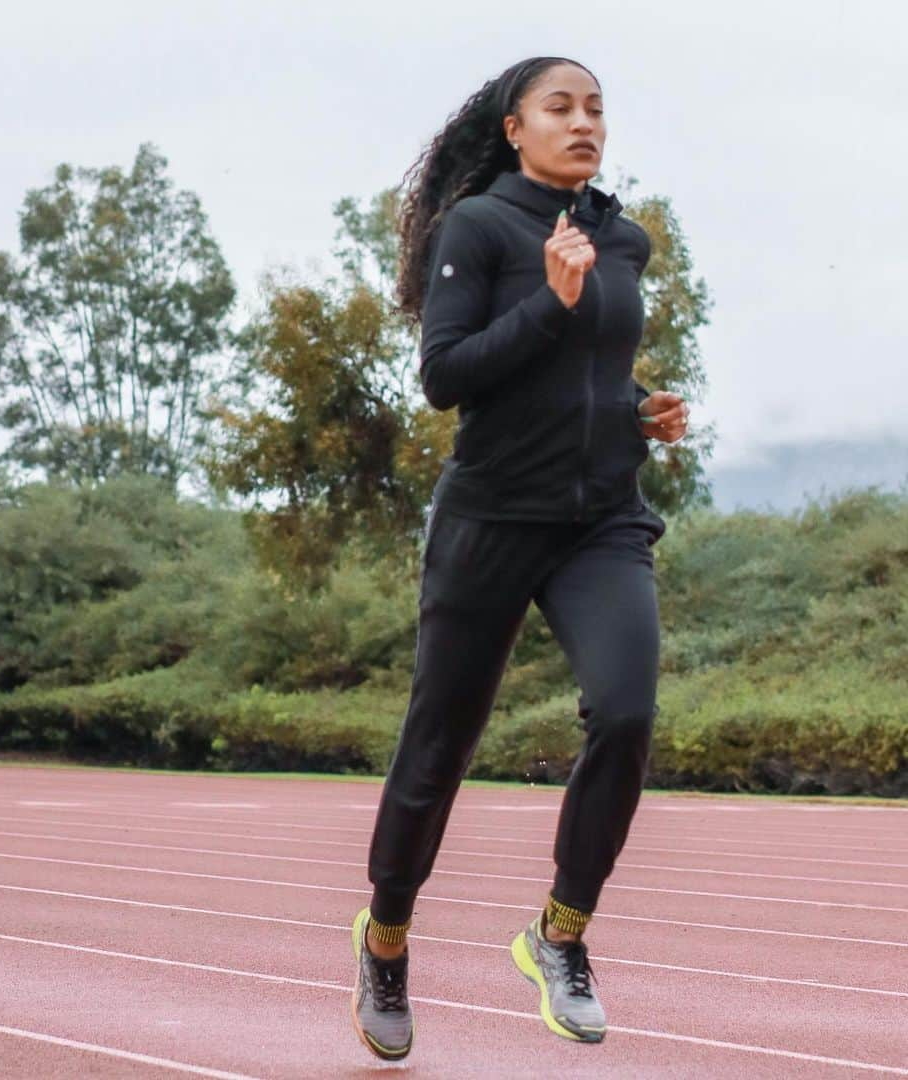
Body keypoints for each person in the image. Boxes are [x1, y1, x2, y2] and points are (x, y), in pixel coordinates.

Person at [350, 55, 690, 1060]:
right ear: (514, 128)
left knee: (625, 714)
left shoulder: (621, 237)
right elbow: (447, 378)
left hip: (601, 521)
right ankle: (386, 940)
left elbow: (588, 378)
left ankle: (560, 936)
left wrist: (640, 410)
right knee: (438, 749)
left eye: (595, 108)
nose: (583, 122)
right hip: (492, 519)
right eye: (560, 107)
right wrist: (546, 301)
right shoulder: (482, 229)